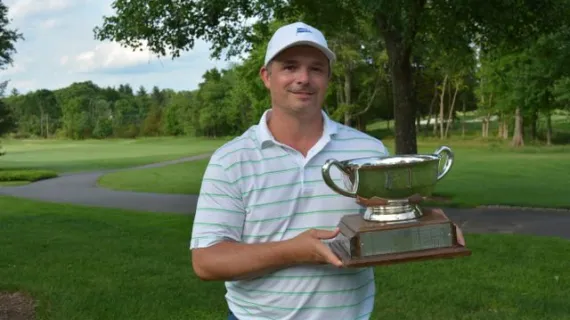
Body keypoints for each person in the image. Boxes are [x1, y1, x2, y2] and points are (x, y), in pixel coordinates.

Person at [190, 22, 390, 320]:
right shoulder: (231, 160)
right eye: (290, 67)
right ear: (266, 77)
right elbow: (206, 261)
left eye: (316, 69)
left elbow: (387, 235)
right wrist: (295, 250)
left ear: (328, 79)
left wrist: (403, 219)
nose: (303, 79)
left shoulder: (369, 151)